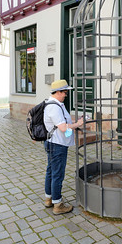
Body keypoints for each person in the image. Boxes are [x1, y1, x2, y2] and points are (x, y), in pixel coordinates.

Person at [43, 79, 84, 215]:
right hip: (57, 145)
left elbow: (63, 125)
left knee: (51, 171)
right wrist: (77, 124)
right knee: (57, 174)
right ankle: (58, 204)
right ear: (58, 92)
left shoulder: (56, 104)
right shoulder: (54, 107)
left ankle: (49, 199)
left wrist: (72, 127)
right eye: (65, 92)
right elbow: (62, 127)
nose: (66, 94)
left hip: (53, 143)